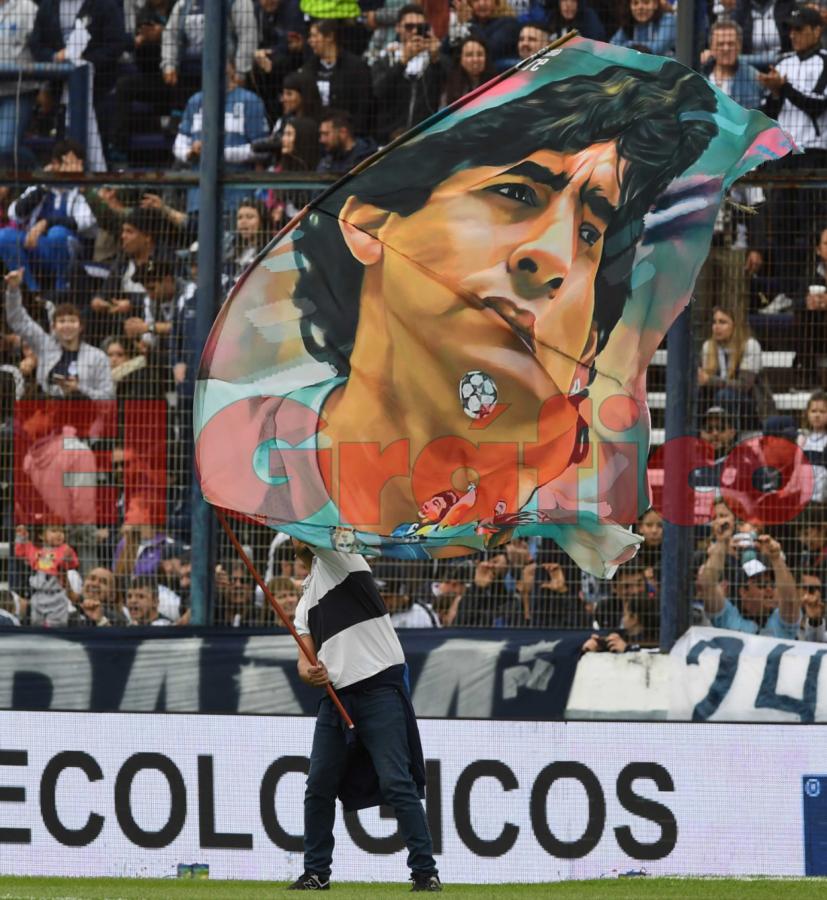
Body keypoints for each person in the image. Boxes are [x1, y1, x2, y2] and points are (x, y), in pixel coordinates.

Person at [197, 58, 723, 576]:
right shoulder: (238, 444)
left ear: (587, 346)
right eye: (517, 193)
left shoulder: (565, 495)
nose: (555, 260)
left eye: (590, 234)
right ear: (372, 224)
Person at [289, 539, 440, 892]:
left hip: (379, 688)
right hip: (336, 696)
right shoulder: (302, 604)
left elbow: (317, 530)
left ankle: (424, 872)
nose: (296, 535)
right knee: (318, 785)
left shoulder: (341, 557)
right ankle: (316, 873)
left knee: (397, 781)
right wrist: (308, 674)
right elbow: (303, 660)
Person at [174, 60, 269, 214]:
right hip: (199, 197)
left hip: (237, 197)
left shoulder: (250, 101)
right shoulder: (195, 101)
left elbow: (262, 149)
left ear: (233, 69)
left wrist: (217, 153)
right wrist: (190, 152)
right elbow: (179, 144)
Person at [0, 141, 96, 293]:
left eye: (79, 163)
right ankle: (30, 291)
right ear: (55, 164)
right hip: (35, 247)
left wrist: (46, 223)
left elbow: (85, 222)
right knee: (4, 236)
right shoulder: (39, 188)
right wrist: (44, 184)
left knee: (58, 232)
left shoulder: (79, 192)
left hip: (66, 251)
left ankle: (61, 290)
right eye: (70, 163)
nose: (76, 169)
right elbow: (15, 214)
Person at [4, 269, 113, 400]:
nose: (67, 325)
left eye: (72, 321)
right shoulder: (44, 345)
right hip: (47, 413)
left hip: (85, 415)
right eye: (62, 321)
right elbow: (18, 319)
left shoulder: (97, 356)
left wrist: (79, 389)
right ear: (53, 327)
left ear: (81, 327)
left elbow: (108, 397)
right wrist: (13, 289)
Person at [698, 529, 800, 637]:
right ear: (743, 591)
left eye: (772, 584)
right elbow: (707, 585)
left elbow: (790, 601)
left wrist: (776, 558)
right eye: (761, 584)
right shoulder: (728, 617)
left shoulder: (782, 621)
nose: (769, 589)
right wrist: (721, 541)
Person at [371, 4, 445, 143]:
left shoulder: (436, 57)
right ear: (398, 28)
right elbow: (378, 92)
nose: (414, 31)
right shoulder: (385, 59)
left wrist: (436, 58)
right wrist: (402, 62)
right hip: (389, 139)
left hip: (427, 137)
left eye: (420, 27)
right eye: (409, 27)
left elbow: (448, 87)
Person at [698, 305, 773, 431]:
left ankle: (732, 439)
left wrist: (710, 380)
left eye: (722, 322)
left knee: (724, 396)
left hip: (750, 405)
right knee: (698, 394)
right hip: (717, 400)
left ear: (735, 326)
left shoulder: (750, 345)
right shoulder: (708, 347)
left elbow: (745, 385)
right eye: (714, 322)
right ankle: (695, 438)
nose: (716, 327)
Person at [301, 19, 373, 135]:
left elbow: (363, 108)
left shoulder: (356, 67)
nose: (310, 41)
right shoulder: (309, 68)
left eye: (315, 36)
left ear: (329, 37)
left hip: (347, 134)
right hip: (316, 135)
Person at [14, 522, 79, 627]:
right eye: (54, 531)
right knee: (36, 626)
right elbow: (20, 552)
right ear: (41, 535)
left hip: (57, 596)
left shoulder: (65, 549)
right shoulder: (34, 549)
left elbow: (73, 564)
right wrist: (21, 536)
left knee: (56, 628)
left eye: (61, 531)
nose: (59, 534)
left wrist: (68, 556)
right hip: (38, 595)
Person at [792, 227, 827, 387]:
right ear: (818, 250)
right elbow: (795, 302)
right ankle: (808, 376)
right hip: (817, 333)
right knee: (802, 315)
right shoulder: (810, 275)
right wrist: (807, 302)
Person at [317, 109, 377, 175]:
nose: (321, 139)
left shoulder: (368, 159)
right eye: (321, 134)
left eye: (326, 134)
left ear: (343, 132)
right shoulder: (327, 161)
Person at [440, 37, 494, 107]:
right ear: (460, 59)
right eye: (469, 55)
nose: (475, 59)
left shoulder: (496, 83)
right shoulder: (451, 86)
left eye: (480, 54)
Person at [610, 0, 676, 55]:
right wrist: (636, 47)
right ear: (630, 7)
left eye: (646, 2)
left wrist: (628, 45)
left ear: (655, 5)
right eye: (635, 3)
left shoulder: (668, 19)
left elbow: (657, 49)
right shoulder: (629, 23)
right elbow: (612, 46)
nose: (640, 7)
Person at [798, 390, 827, 501]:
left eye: (822, 411)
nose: (817, 415)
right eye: (813, 411)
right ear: (807, 413)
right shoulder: (803, 438)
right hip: (803, 497)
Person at [799, 568, 826, 641]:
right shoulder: (783, 615)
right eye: (809, 588)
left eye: (818, 588)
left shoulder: (822, 616)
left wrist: (815, 621)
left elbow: (818, 641)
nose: (815, 593)